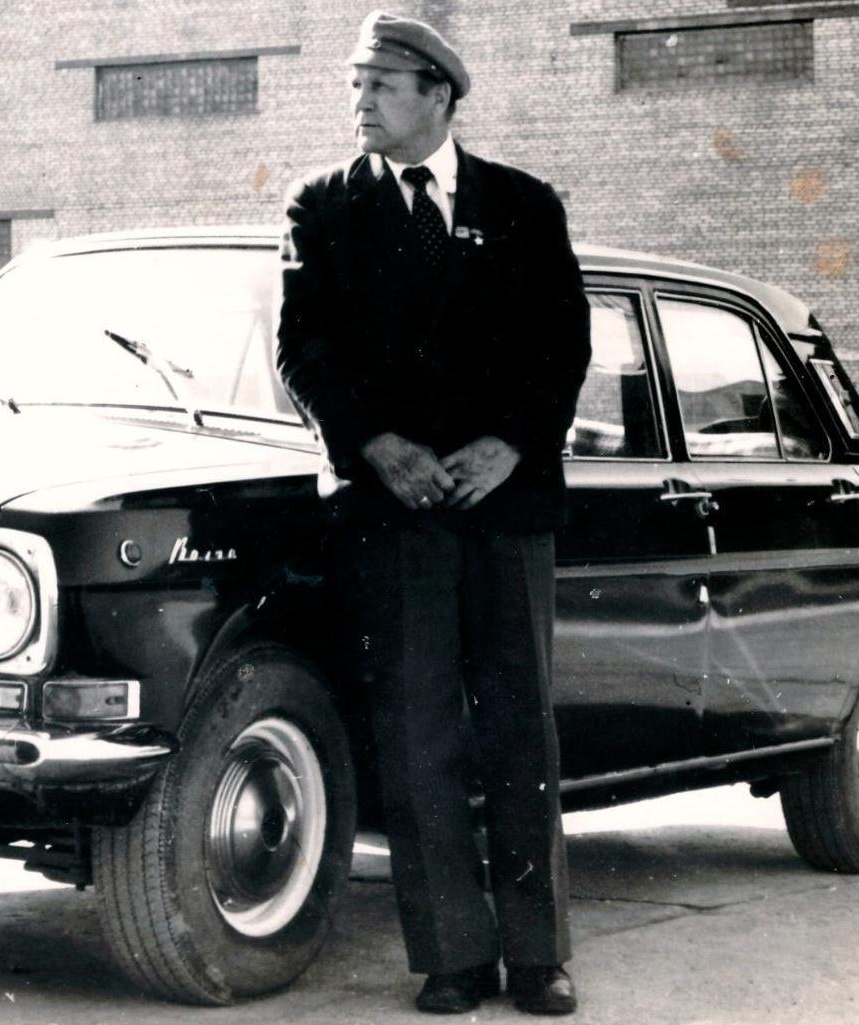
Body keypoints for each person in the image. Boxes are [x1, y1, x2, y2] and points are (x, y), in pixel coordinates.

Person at [275, 10, 592, 1017]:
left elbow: (564, 346)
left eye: (380, 84)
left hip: (505, 506)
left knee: (518, 727)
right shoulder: (322, 207)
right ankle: (452, 955)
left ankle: (537, 956)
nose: (359, 101)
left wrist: (510, 445)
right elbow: (302, 348)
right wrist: (376, 445)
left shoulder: (524, 205)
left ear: (439, 96)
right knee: (418, 735)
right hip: (394, 510)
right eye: (354, 84)